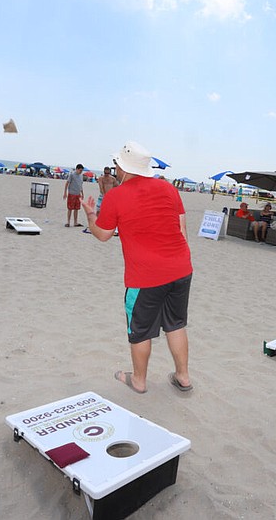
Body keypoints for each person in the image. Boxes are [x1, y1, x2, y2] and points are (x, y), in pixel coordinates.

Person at [81, 141, 193, 394]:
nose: (115, 169)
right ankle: (183, 377)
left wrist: (90, 215)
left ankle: (139, 380)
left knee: (140, 330)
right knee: (176, 324)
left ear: (122, 167)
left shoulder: (116, 195)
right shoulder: (168, 188)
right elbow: (182, 229)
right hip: (181, 268)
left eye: (116, 164)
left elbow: (103, 235)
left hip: (146, 276)